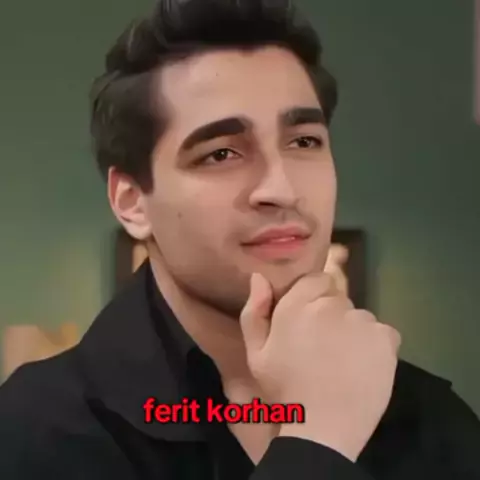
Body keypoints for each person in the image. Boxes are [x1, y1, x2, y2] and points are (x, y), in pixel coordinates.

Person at [1, 0, 479, 478]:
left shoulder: (430, 419)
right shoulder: (38, 428)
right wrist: (318, 440)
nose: (282, 189)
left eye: (304, 141)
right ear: (132, 202)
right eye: (221, 154)